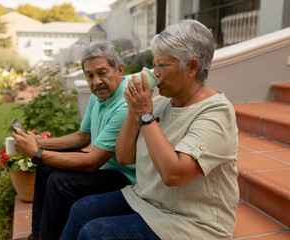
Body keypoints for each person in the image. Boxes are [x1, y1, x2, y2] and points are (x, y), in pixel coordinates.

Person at [60, 19, 239, 240]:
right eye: (155, 65)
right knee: (82, 209)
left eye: (162, 65)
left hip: (190, 223)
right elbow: (124, 156)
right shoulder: (164, 104)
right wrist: (133, 110)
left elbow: (174, 174)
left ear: (192, 67)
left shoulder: (216, 112)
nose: (156, 72)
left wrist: (145, 115)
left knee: (95, 233)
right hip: (147, 200)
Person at [11, 41, 136, 240]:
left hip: (125, 177)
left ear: (119, 70)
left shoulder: (124, 104)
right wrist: (38, 142)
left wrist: (37, 152)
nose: (96, 82)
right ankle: (37, 235)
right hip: (104, 166)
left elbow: (92, 162)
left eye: (102, 73)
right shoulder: (99, 96)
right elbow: (82, 136)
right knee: (44, 168)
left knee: (60, 182)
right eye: (90, 76)